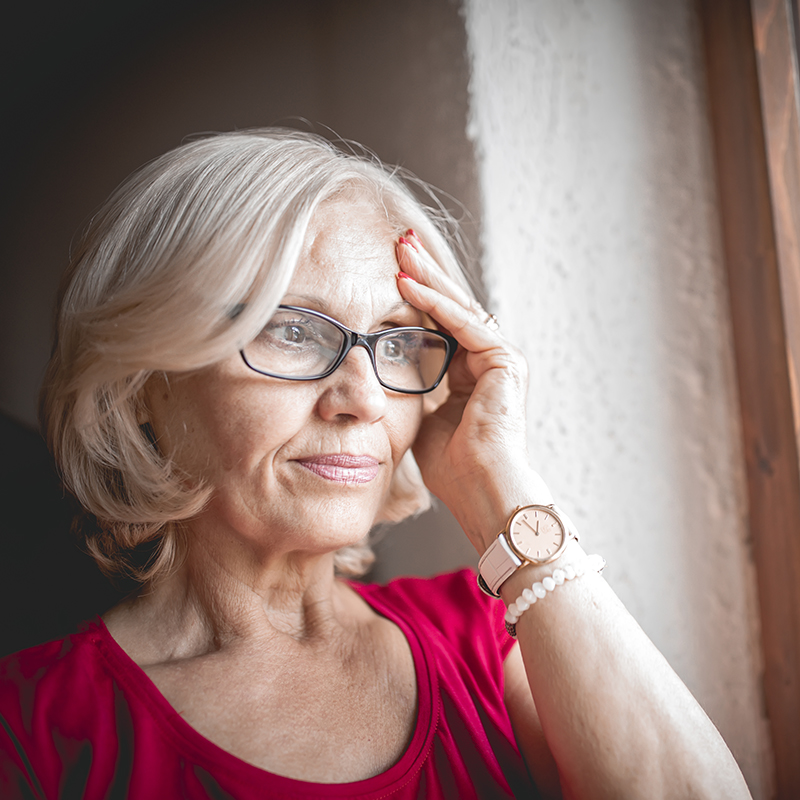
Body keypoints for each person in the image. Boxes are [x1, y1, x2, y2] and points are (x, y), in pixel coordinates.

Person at [0, 129, 750, 799]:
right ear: (142, 384)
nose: (361, 397)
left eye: (396, 341)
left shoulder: (487, 638)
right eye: (292, 330)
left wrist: (497, 482)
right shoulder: (32, 729)